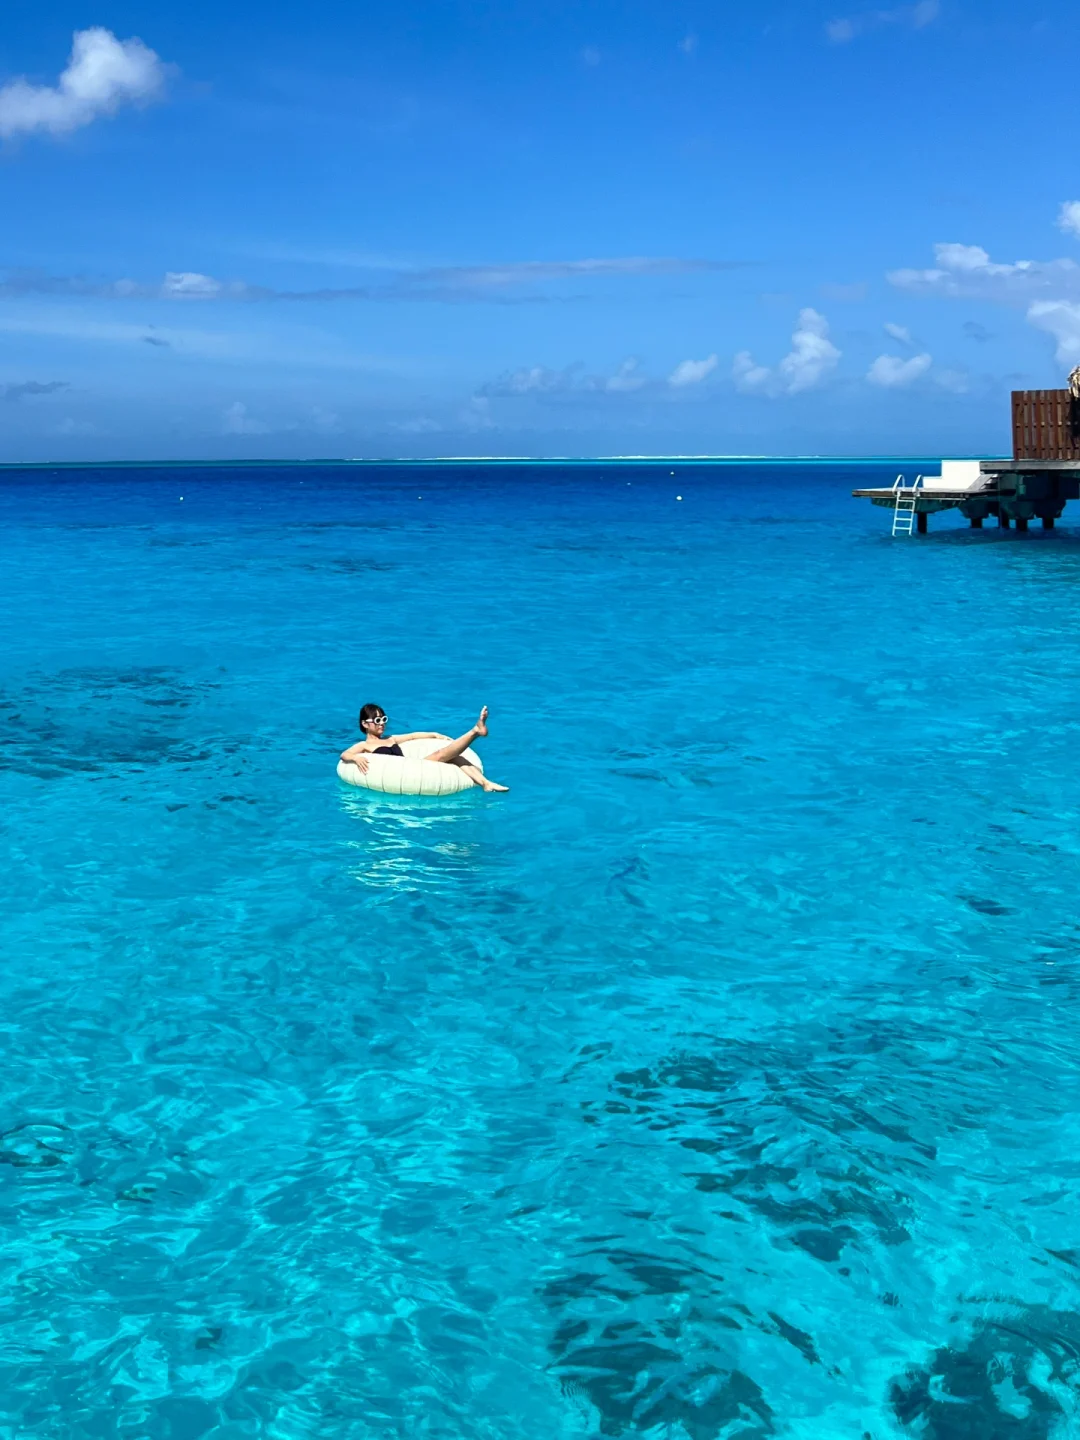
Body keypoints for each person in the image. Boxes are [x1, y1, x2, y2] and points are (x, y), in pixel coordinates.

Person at [340, 703, 509, 793]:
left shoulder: (391, 739)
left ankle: (485, 783)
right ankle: (475, 731)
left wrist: (434, 734)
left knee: (455, 757)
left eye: (384, 719)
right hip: (404, 775)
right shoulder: (365, 746)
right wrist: (355, 757)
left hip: (413, 768)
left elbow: (414, 736)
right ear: (364, 724)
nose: (382, 724)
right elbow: (345, 755)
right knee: (442, 754)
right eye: (377, 721)